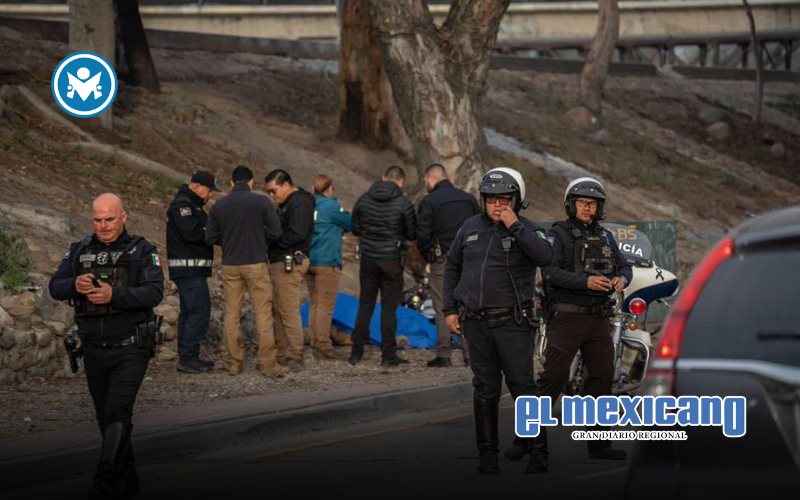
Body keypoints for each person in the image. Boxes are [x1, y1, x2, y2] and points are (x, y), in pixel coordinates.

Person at [508, 176, 632, 469]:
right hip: (567, 317)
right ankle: (525, 440)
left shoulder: (605, 236)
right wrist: (586, 281)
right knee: (553, 379)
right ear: (571, 205)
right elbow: (549, 273)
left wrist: (621, 278)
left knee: (602, 380)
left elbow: (624, 265)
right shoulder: (558, 234)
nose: (588, 209)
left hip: (599, 318)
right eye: (583, 203)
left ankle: (599, 445)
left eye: (593, 204)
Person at [49, 193, 164, 499]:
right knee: (106, 418)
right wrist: (75, 284)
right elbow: (54, 286)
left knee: (117, 411)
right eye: (98, 220)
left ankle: (103, 482)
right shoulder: (79, 250)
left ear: (123, 217)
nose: (103, 226)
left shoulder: (143, 250)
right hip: (93, 348)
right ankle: (127, 481)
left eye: (109, 219)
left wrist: (115, 295)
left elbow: (154, 293)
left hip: (130, 347)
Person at [442, 167, 552, 474]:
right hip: (475, 323)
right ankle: (487, 455)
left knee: (524, 388)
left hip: (513, 323)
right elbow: (452, 267)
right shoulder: (469, 228)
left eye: (504, 199)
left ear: (517, 201)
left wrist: (515, 227)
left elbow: (545, 257)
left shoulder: (528, 230)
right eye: (491, 199)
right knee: (485, 389)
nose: (497, 205)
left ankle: (539, 453)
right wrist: (449, 309)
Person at [205, 165, 288, 378]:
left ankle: (234, 363)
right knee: (262, 313)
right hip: (256, 263)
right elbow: (276, 232)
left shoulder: (219, 206)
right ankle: (268, 365)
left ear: (232, 183)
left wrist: (229, 241)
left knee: (232, 314)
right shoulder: (261, 202)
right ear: (251, 182)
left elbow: (210, 238)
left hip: (231, 264)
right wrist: (261, 239)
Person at [348, 165, 416, 367]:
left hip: (368, 257)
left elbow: (355, 227)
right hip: (391, 260)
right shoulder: (403, 203)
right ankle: (388, 355)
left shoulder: (364, 198)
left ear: (384, 177)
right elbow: (412, 234)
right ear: (401, 181)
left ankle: (356, 352)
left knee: (365, 305)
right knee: (389, 309)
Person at [416, 163, 480, 368]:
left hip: (442, 260)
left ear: (430, 178)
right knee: (467, 304)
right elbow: (481, 225)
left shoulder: (429, 201)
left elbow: (422, 235)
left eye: (426, 180)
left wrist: (428, 255)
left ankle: (444, 354)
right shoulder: (468, 199)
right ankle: (471, 354)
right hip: (469, 259)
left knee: (443, 304)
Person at [166, 170, 219, 374]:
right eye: (209, 190)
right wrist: (212, 233)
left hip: (192, 269)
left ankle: (187, 357)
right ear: (197, 186)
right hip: (188, 269)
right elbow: (191, 233)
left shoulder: (192, 205)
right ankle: (188, 358)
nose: (210, 195)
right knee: (198, 311)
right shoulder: (183, 205)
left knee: (190, 312)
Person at [264, 169, 316, 371]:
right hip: (283, 259)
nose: (272, 195)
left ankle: (295, 354)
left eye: (274, 190)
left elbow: (297, 233)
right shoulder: (289, 203)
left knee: (287, 309)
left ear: (286, 185)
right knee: (280, 308)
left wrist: (272, 242)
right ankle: (284, 351)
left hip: (289, 261)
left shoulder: (299, 203)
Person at [306, 174, 351, 360]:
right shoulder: (331, 206)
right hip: (327, 262)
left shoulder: (308, 205)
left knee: (315, 304)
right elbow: (349, 223)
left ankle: (315, 340)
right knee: (325, 306)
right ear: (328, 189)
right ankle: (323, 344)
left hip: (310, 261)